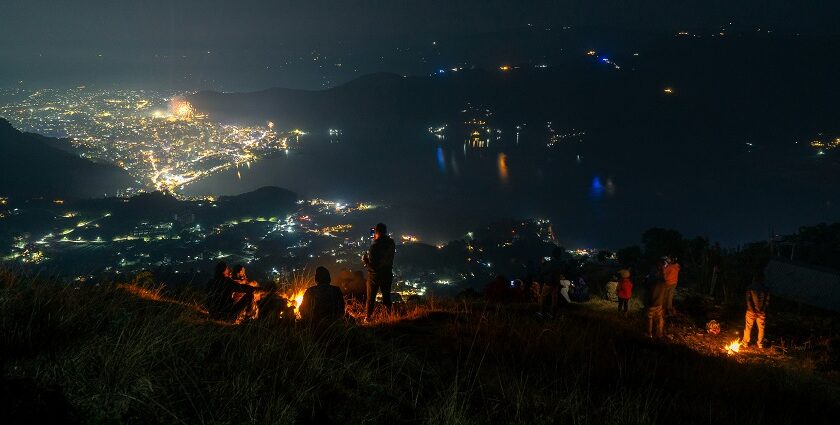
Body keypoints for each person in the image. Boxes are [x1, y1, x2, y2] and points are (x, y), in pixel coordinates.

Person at [362, 222, 395, 320]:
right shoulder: (391, 243)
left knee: (371, 298)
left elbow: (372, 267)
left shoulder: (374, 246)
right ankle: (389, 318)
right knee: (386, 297)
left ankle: (368, 318)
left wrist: (365, 261)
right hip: (387, 273)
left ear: (376, 232)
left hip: (374, 276)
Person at [742, 277, 770, 349]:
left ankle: (745, 343)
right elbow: (767, 301)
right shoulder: (766, 288)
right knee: (761, 328)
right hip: (761, 312)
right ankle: (760, 344)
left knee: (748, 327)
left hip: (751, 312)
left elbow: (748, 300)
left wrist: (752, 310)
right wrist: (762, 309)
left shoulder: (750, 287)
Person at [646, 259, 668, 338]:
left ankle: (649, 334)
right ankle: (659, 334)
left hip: (652, 302)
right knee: (659, 317)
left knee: (650, 318)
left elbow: (648, 292)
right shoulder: (664, 282)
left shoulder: (652, 282)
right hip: (660, 302)